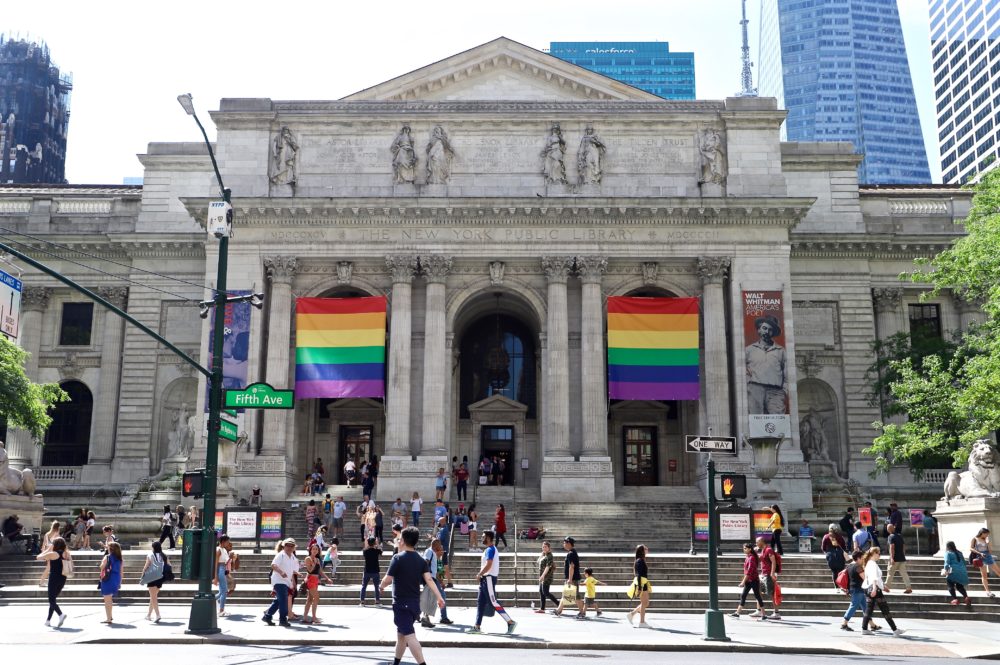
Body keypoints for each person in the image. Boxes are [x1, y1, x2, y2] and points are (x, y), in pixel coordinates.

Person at [380, 526, 446, 665]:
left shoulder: (397, 558)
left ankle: (422, 663)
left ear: (402, 540)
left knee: (410, 637)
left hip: (401, 604)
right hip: (414, 605)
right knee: (401, 636)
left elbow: (388, 579)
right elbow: (429, 580)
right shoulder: (421, 560)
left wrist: (381, 586)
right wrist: (439, 597)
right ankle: (395, 663)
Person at [468, 530, 517, 634]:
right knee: (480, 603)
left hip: (488, 578)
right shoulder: (488, 550)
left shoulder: (491, 549)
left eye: (483, 536)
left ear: (489, 538)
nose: (481, 538)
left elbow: (489, 564)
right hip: (485, 579)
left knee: (493, 602)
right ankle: (477, 627)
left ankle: (510, 622)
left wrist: (480, 574)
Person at [745, 315, 787, 415]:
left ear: (773, 333)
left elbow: (787, 371)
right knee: (755, 421)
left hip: (776, 391)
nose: (766, 332)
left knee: (777, 422)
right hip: (755, 389)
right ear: (759, 329)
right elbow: (740, 368)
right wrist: (748, 382)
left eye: (770, 330)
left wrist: (785, 390)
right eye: (764, 328)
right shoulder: (749, 350)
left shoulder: (781, 350)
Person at [860, 547, 904, 636]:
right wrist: (875, 588)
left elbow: (875, 578)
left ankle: (864, 629)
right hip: (874, 589)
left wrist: (883, 587)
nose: (879, 555)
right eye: (878, 553)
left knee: (869, 610)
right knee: (885, 610)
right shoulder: (872, 564)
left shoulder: (869, 563)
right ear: (874, 554)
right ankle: (895, 630)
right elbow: (874, 578)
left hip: (869, 588)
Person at [262, 538, 298, 627]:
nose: (289, 547)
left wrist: (293, 581)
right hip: (278, 580)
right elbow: (273, 565)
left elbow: (292, 570)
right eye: (287, 545)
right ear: (283, 546)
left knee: (278, 601)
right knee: (284, 600)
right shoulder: (280, 555)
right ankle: (282, 619)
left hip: (286, 581)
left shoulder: (293, 557)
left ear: (294, 547)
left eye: (291, 546)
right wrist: (281, 572)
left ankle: (267, 616)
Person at [36, 536, 70, 628]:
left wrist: (48, 549)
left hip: (54, 578)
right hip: (63, 578)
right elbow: (71, 564)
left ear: (55, 545)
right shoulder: (67, 553)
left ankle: (61, 614)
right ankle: (48, 620)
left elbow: (38, 557)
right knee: (53, 600)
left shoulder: (53, 554)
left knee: (51, 600)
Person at [420, 537, 453, 627]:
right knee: (432, 598)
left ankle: (424, 617)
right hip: (430, 579)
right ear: (435, 545)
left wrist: (440, 581)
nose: (441, 547)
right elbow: (425, 563)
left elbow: (435, 570)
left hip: (433, 578)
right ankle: (431, 618)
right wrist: (427, 577)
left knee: (432, 597)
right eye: (439, 545)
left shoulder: (434, 553)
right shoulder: (430, 551)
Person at [730, 542, 765, 620]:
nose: (744, 549)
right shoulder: (748, 557)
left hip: (753, 580)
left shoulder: (751, 557)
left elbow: (749, 571)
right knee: (743, 595)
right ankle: (737, 613)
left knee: (758, 596)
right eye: (744, 548)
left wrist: (743, 582)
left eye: (745, 548)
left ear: (750, 549)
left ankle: (764, 615)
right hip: (749, 580)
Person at [554, 536, 585, 618]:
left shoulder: (571, 554)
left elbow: (572, 566)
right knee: (566, 594)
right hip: (572, 578)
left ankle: (582, 612)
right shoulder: (572, 552)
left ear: (568, 543)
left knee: (576, 596)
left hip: (572, 578)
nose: (563, 544)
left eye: (564, 543)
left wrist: (570, 579)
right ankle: (558, 610)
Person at [301, 542, 333, 623]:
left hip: (315, 580)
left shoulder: (317, 559)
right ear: (310, 550)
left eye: (316, 549)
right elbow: (310, 570)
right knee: (317, 597)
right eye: (313, 549)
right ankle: (314, 617)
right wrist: (314, 563)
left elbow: (320, 571)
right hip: (311, 580)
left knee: (310, 599)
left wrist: (327, 579)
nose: (315, 550)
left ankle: (305, 617)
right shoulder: (308, 559)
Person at [755, 535, 781, 620]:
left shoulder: (768, 550)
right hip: (763, 574)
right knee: (759, 592)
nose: (756, 544)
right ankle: (759, 610)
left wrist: (772, 573)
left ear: (761, 542)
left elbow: (773, 562)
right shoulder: (762, 550)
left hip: (768, 575)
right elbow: (759, 560)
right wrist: (755, 552)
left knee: (772, 594)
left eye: (757, 542)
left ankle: (776, 613)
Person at [839, 551, 866, 631]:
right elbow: (865, 578)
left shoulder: (849, 566)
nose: (863, 559)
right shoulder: (858, 567)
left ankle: (872, 625)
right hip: (858, 589)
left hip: (853, 588)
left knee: (865, 607)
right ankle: (844, 623)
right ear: (858, 558)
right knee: (853, 606)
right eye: (862, 558)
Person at [142, 541, 168, 622]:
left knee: (153, 597)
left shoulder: (150, 555)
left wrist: (143, 575)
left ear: (153, 547)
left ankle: (157, 615)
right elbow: (169, 565)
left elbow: (146, 566)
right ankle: (149, 615)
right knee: (153, 596)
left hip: (152, 576)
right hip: (161, 577)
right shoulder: (163, 555)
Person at [626, 544, 652, 628]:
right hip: (641, 584)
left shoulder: (640, 560)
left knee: (645, 603)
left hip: (643, 583)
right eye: (645, 548)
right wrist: (640, 588)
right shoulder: (640, 561)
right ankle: (642, 622)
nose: (647, 549)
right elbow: (640, 575)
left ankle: (632, 614)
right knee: (644, 603)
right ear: (642, 551)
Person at [99, 542, 123, 624]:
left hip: (107, 579)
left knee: (107, 599)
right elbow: (121, 572)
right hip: (116, 579)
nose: (107, 549)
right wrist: (120, 582)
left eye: (108, 548)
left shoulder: (107, 557)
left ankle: (108, 618)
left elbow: (102, 567)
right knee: (110, 598)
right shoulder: (120, 559)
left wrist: (102, 562)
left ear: (111, 549)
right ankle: (110, 616)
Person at [971, 528, 1000, 597]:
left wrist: (988, 543)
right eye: (986, 534)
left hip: (988, 556)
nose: (987, 535)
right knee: (984, 575)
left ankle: (988, 591)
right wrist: (979, 553)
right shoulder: (975, 539)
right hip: (980, 557)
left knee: (998, 571)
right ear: (982, 533)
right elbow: (971, 548)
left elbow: (990, 551)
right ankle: (988, 591)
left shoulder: (985, 540)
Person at [884, 523, 912, 594]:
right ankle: (908, 587)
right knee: (904, 573)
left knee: (890, 572)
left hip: (895, 558)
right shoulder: (900, 536)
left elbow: (892, 547)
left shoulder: (890, 537)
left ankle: (887, 587)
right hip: (901, 558)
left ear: (888, 530)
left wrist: (892, 558)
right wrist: (903, 555)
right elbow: (903, 546)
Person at [944, 540, 972, 606]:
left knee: (950, 585)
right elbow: (964, 562)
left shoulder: (948, 553)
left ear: (947, 546)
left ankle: (955, 599)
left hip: (953, 571)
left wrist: (946, 571)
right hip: (962, 571)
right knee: (959, 586)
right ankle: (966, 597)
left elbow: (946, 563)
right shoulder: (959, 553)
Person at [821, 523, 848, 589]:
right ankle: (841, 585)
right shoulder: (840, 537)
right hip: (840, 555)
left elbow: (823, 547)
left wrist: (827, 552)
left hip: (830, 556)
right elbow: (844, 547)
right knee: (841, 571)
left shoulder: (826, 537)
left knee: (834, 572)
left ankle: (836, 586)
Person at [536, 540, 560, 613]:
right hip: (542, 576)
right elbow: (538, 561)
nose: (544, 548)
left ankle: (559, 604)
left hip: (547, 577)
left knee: (546, 592)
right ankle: (542, 609)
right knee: (541, 592)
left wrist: (543, 576)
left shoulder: (550, 556)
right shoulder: (544, 555)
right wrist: (542, 553)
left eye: (546, 547)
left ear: (549, 548)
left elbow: (548, 567)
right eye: (543, 547)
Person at [360, 536, 383, 606]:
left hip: (367, 570)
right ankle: (377, 602)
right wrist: (377, 544)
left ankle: (362, 602)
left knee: (364, 586)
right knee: (376, 586)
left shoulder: (365, 551)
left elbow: (365, 549)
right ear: (374, 543)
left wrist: (367, 543)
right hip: (375, 570)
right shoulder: (377, 551)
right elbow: (381, 551)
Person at [214, 534, 233, 617]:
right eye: (227, 542)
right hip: (220, 569)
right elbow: (216, 564)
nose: (228, 543)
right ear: (223, 541)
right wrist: (215, 577)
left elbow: (226, 562)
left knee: (222, 591)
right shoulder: (218, 550)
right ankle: (220, 609)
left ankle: (214, 602)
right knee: (224, 591)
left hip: (223, 569)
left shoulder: (224, 550)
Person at [38, 520, 61, 585]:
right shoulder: (57, 534)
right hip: (53, 552)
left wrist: (43, 554)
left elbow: (43, 545)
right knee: (49, 568)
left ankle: (44, 582)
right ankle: (42, 582)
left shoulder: (47, 534)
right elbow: (58, 544)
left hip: (47, 552)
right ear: (57, 528)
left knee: (50, 567)